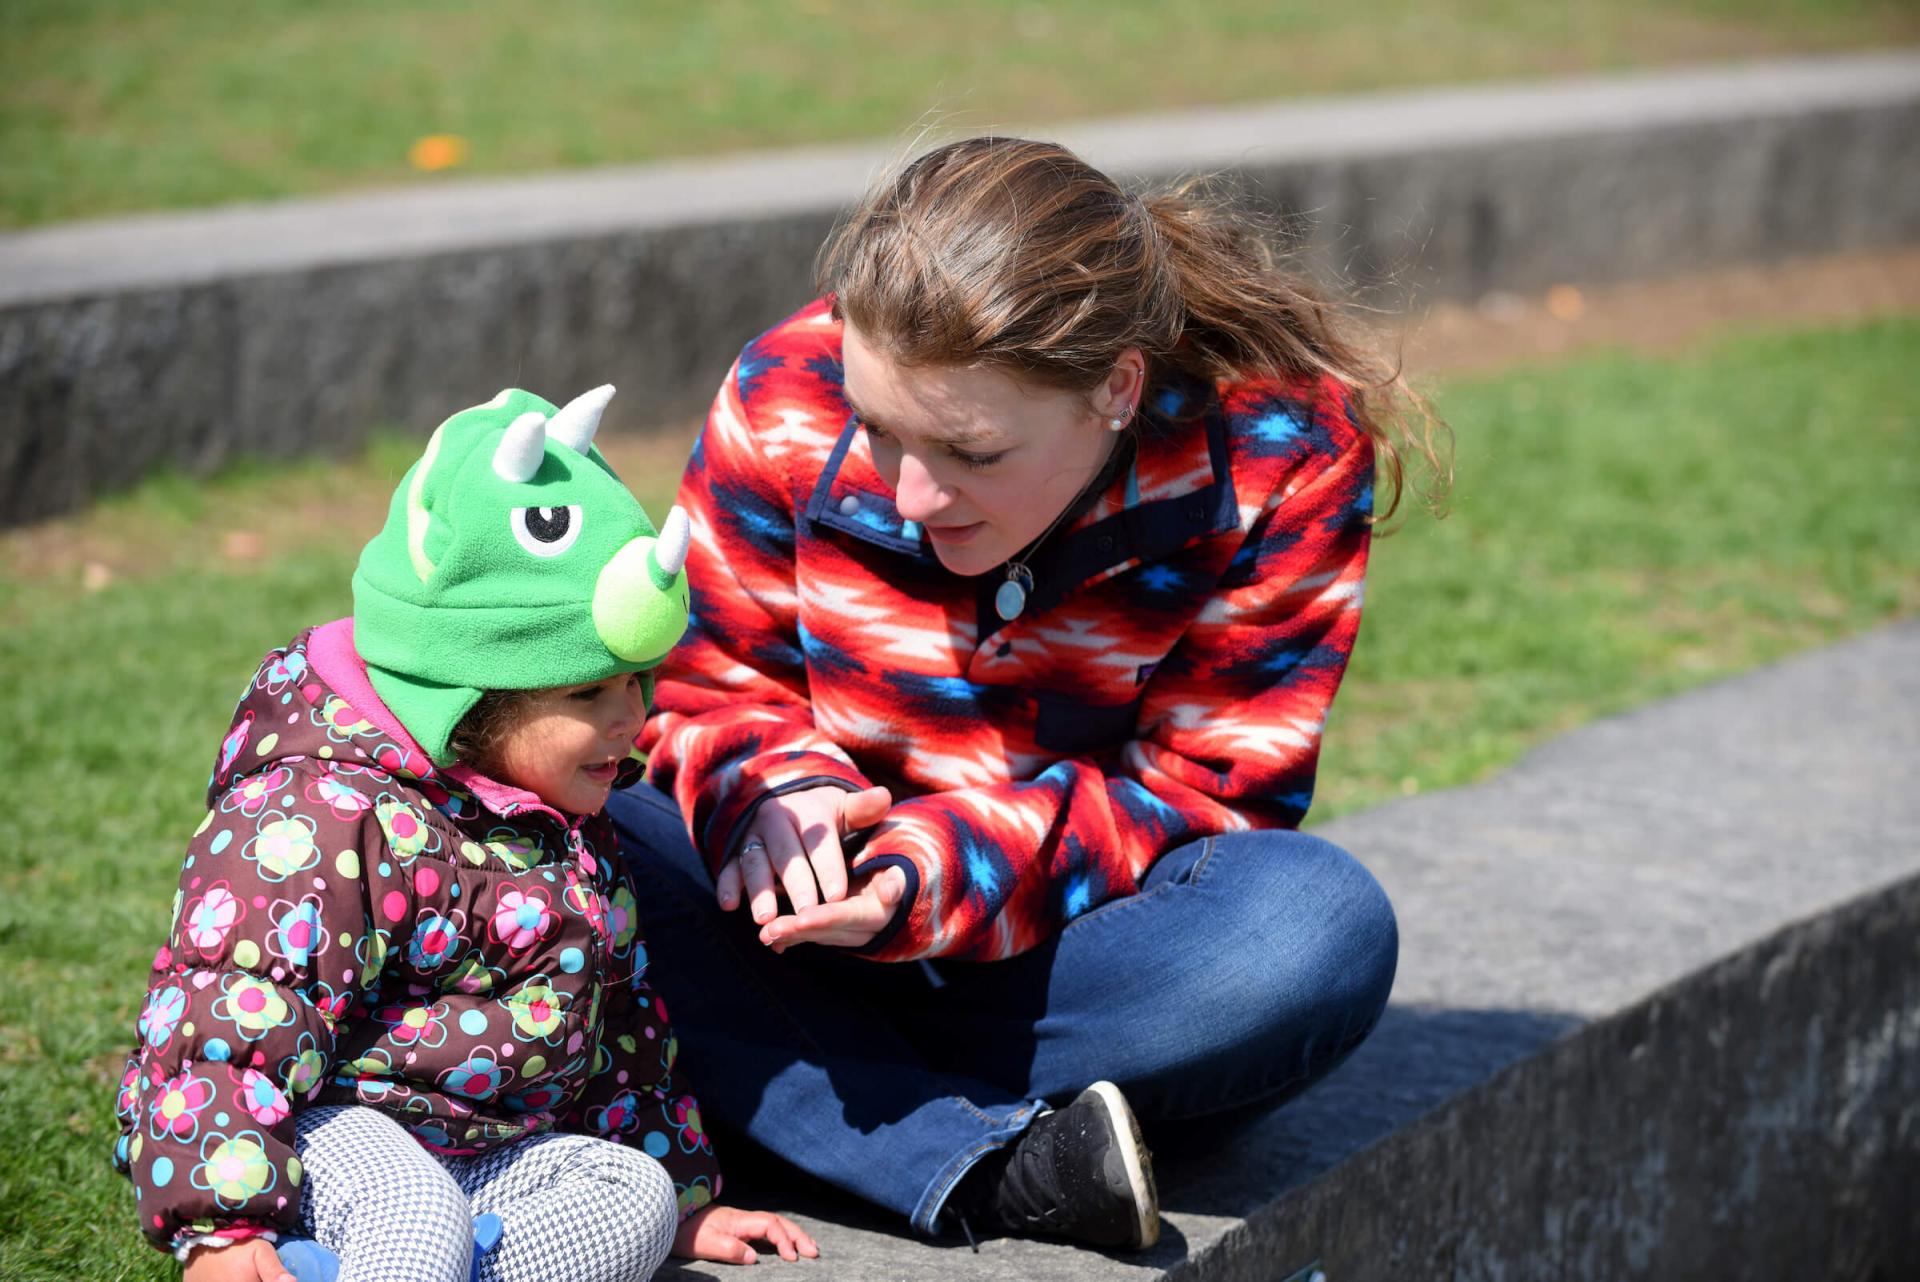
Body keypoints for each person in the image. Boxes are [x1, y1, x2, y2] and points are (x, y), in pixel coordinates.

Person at [611, 136, 1446, 1250]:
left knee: (1312, 932)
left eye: (970, 451)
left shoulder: (1281, 453)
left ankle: (769, 1088)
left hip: (1063, 956)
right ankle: (989, 1163)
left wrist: (937, 869)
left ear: (1116, 388)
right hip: (784, 930)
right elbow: (706, 685)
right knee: (561, 826)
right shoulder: (785, 383)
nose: (911, 493)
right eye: (877, 429)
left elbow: (1209, 793)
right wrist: (768, 792)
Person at [112, 386, 817, 1282]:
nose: (630, 718)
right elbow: (231, 1015)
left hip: (481, 1150)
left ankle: (390, 1268)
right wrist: (224, 1222)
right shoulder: (320, 815)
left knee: (627, 1199)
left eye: (639, 683)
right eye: (587, 694)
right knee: (413, 1215)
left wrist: (683, 1194)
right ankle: (357, 1252)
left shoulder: (565, 815)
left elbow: (621, 1029)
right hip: (321, 1130)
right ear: (474, 691)